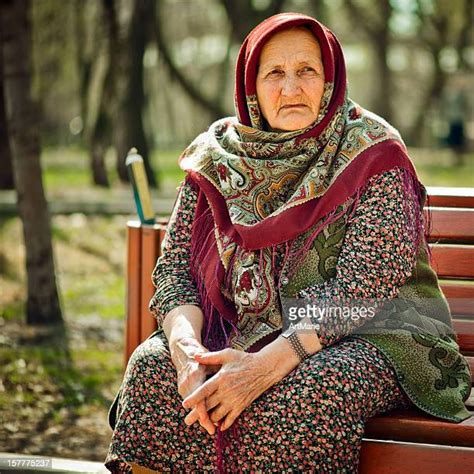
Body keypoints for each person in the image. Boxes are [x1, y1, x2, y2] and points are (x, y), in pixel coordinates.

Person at [105, 12, 472, 473]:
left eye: (307, 71)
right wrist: (187, 353)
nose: (292, 88)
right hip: (246, 329)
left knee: (306, 394)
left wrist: (264, 366)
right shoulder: (217, 157)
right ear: (251, 86)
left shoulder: (373, 152)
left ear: (330, 79)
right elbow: (176, 270)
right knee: (152, 368)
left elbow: (361, 290)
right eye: (274, 73)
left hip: (374, 335)